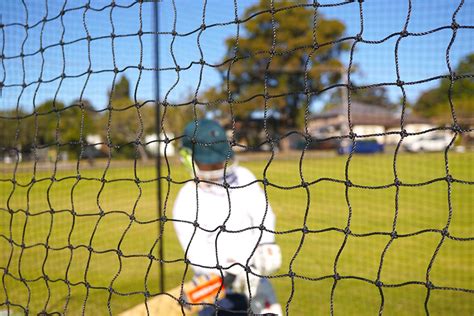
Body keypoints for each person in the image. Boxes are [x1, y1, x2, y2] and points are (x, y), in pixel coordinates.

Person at [173, 119, 282, 315]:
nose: (217, 166)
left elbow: (262, 212)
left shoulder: (243, 177)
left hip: (257, 283)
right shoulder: (186, 200)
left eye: (219, 159)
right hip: (215, 290)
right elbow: (197, 254)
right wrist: (231, 270)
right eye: (209, 162)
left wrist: (267, 244)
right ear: (188, 158)